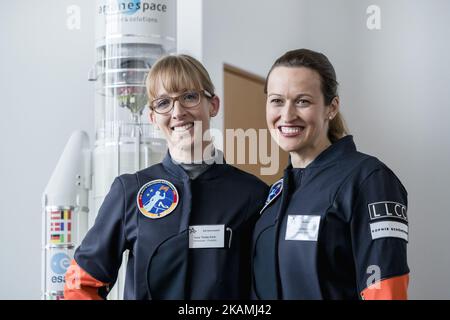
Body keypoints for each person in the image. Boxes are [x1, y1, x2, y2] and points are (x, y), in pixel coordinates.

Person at [64, 54, 268, 300]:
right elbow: (82, 284)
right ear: (153, 118)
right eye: (163, 103)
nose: (178, 112)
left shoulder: (252, 194)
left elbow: (269, 287)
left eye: (189, 97)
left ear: (213, 104)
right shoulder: (129, 191)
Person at [252, 49, 409, 300]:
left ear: (331, 107)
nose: (287, 115)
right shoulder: (276, 193)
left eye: (302, 101)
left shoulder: (369, 180)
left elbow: (386, 289)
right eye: (277, 100)